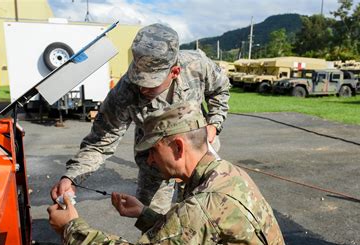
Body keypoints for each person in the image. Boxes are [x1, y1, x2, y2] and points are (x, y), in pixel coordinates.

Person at [47, 104, 300, 245]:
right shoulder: (223, 173)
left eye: (154, 150)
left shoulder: (206, 203)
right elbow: (194, 234)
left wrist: (71, 229)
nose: (150, 160)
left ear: (178, 147)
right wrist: (144, 215)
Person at [50, 23, 230, 213]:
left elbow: (221, 89)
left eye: (150, 83)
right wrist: (71, 177)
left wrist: (214, 123)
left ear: (174, 72)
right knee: (150, 221)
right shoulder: (125, 92)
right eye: (138, 78)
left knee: (201, 217)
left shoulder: (197, 66)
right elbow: (99, 143)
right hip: (154, 165)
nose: (141, 88)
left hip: (198, 158)